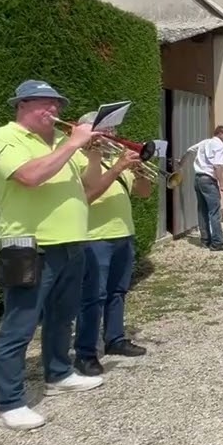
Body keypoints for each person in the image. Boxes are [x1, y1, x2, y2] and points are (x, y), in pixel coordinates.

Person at [0, 80, 107, 431]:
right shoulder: (4, 137)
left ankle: (59, 372)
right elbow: (29, 176)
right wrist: (73, 143)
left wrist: (93, 155)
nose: (54, 110)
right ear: (21, 105)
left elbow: (89, 186)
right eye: (44, 104)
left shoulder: (57, 143)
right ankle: (9, 401)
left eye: (57, 105)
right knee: (19, 324)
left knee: (62, 317)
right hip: (28, 244)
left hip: (71, 242)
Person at [72, 111, 151, 377]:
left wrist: (140, 172)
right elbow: (88, 196)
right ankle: (85, 353)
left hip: (123, 234)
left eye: (113, 131)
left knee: (118, 291)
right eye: (106, 130)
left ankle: (115, 339)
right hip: (94, 236)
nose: (113, 136)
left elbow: (144, 193)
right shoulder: (77, 159)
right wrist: (118, 167)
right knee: (93, 297)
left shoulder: (114, 159)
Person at [190, 125, 223, 251]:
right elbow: (217, 166)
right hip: (208, 180)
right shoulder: (219, 146)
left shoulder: (205, 142)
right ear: (219, 133)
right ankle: (217, 243)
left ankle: (205, 240)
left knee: (202, 210)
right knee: (214, 211)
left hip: (198, 179)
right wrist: (222, 183)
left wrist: (181, 163)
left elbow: (190, 150)